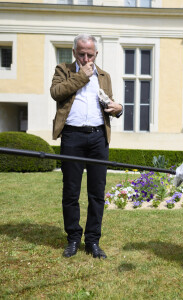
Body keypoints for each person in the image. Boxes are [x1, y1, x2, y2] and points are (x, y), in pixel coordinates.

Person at [50, 34, 122, 259]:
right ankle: (73, 239)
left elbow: (109, 102)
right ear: (74, 53)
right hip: (72, 136)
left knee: (97, 193)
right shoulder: (63, 70)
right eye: (81, 53)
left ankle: (92, 241)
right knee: (71, 192)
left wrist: (118, 108)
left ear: (96, 54)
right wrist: (81, 76)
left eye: (90, 54)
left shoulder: (104, 76)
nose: (85, 58)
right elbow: (56, 93)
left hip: (99, 137)